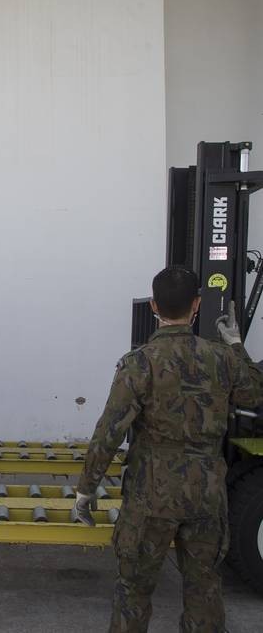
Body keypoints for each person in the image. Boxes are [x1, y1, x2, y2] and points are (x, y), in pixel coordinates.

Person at [75, 267, 263, 632]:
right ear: (197, 305)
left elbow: (109, 432)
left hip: (151, 496)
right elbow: (255, 394)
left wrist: (86, 488)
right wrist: (236, 343)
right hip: (206, 496)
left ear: (153, 306)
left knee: (134, 589)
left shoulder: (139, 363)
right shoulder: (222, 359)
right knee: (204, 588)